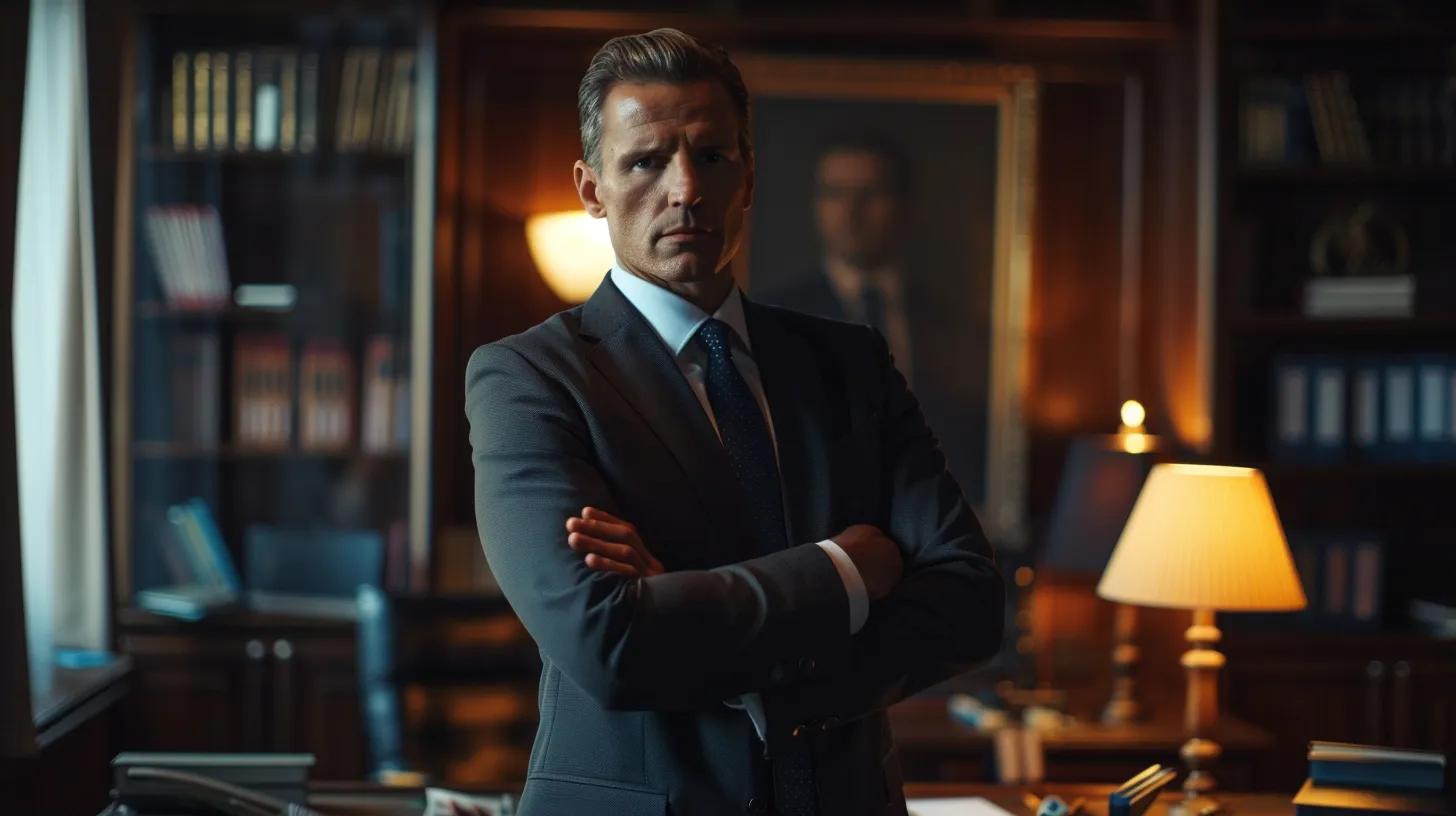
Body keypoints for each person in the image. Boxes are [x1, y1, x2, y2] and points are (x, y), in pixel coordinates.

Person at [465, 28, 1003, 816]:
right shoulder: (530, 376)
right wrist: (845, 571)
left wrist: (711, 637)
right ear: (591, 190)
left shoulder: (849, 364)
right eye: (647, 161)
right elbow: (608, 646)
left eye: (711, 156)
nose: (685, 188)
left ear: (746, 176)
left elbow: (970, 600)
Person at [761, 135, 989, 510]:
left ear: (904, 206)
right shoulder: (778, 313)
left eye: (870, 193)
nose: (852, 211)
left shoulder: (948, 323)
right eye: (835, 193)